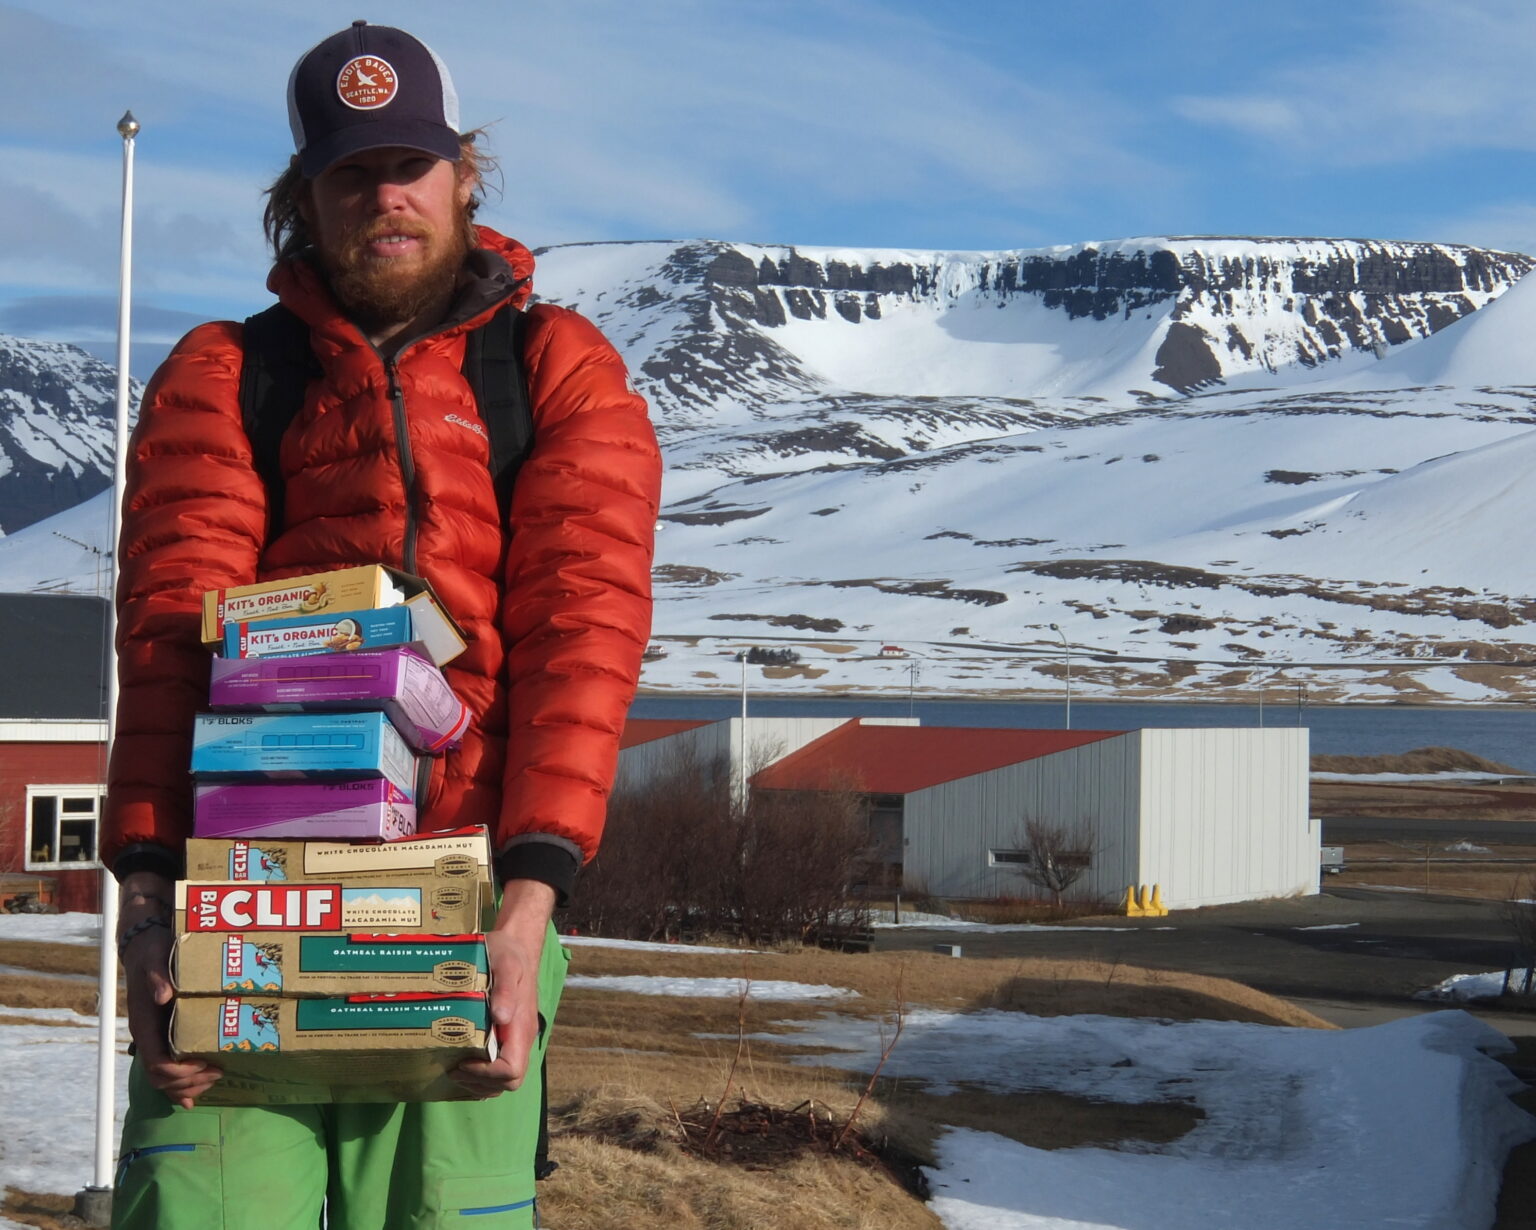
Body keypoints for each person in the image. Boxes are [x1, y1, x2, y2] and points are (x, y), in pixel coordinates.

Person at [101, 20, 660, 1229]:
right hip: (241, 912)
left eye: (412, 163)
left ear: (466, 174)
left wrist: (528, 913)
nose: (387, 197)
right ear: (304, 197)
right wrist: (146, 913)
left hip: (465, 910)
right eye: (352, 172)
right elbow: (162, 657)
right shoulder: (226, 375)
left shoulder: (559, 368)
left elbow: (584, 643)